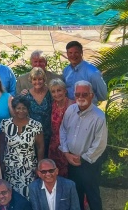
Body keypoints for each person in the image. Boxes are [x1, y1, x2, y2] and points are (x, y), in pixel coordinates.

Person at [59, 81, 107, 210]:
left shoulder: (99, 117)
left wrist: (83, 158)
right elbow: (63, 130)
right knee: (76, 193)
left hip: (89, 163)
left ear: (91, 95)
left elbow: (100, 144)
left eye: (84, 94)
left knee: (93, 195)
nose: (80, 97)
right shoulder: (70, 109)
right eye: (77, 94)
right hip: (71, 159)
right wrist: (66, 153)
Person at [0, 96, 44, 198]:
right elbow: (1, 145)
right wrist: (0, 162)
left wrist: (39, 166)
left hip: (29, 167)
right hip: (10, 167)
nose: (21, 111)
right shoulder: (5, 124)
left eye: (24, 108)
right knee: (11, 195)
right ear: (14, 109)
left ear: (28, 109)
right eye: (18, 108)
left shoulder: (36, 125)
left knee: (28, 195)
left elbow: (40, 147)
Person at [21, 67, 52, 155]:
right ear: (31, 80)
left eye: (40, 79)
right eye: (34, 79)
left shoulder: (50, 92)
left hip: (48, 133)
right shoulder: (26, 95)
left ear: (44, 79)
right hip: (31, 133)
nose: (37, 82)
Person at [48, 78, 74, 177]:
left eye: (59, 90)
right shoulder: (53, 105)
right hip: (54, 146)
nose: (56, 94)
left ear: (65, 90)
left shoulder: (73, 105)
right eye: (53, 91)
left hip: (69, 146)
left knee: (70, 174)